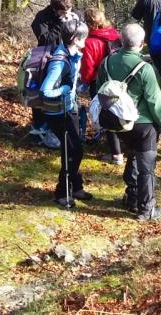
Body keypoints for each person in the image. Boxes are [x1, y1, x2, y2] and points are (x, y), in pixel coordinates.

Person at [98, 23, 161, 220]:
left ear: (121, 40)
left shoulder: (106, 63)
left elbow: (100, 90)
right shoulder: (144, 68)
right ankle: (146, 209)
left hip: (117, 123)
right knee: (146, 168)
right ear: (141, 43)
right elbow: (155, 101)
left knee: (133, 157)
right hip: (143, 125)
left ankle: (131, 197)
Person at [40, 21, 91, 209]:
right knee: (73, 150)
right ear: (76, 39)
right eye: (84, 37)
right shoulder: (59, 62)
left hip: (68, 108)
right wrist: (64, 88)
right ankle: (62, 193)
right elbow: (46, 90)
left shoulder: (71, 53)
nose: (86, 40)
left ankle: (76, 187)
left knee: (74, 148)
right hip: (57, 113)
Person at [28, 0, 79, 146]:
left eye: (69, 10)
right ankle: (40, 127)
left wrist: (76, 21)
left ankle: (64, 128)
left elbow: (80, 31)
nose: (67, 15)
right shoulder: (42, 17)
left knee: (67, 90)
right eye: (63, 12)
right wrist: (61, 24)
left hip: (67, 59)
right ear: (54, 9)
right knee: (42, 93)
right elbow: (44, 39)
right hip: (47, 60)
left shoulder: (74, 14)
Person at [80, 8, 123, 165]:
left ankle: (116, 154)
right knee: (121, 112)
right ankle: (124, 147)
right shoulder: (116, 36)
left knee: (107, 116)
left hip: (100, 83)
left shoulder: (90, 42)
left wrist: (85, 81)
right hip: (121, 81)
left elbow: (88, 69)